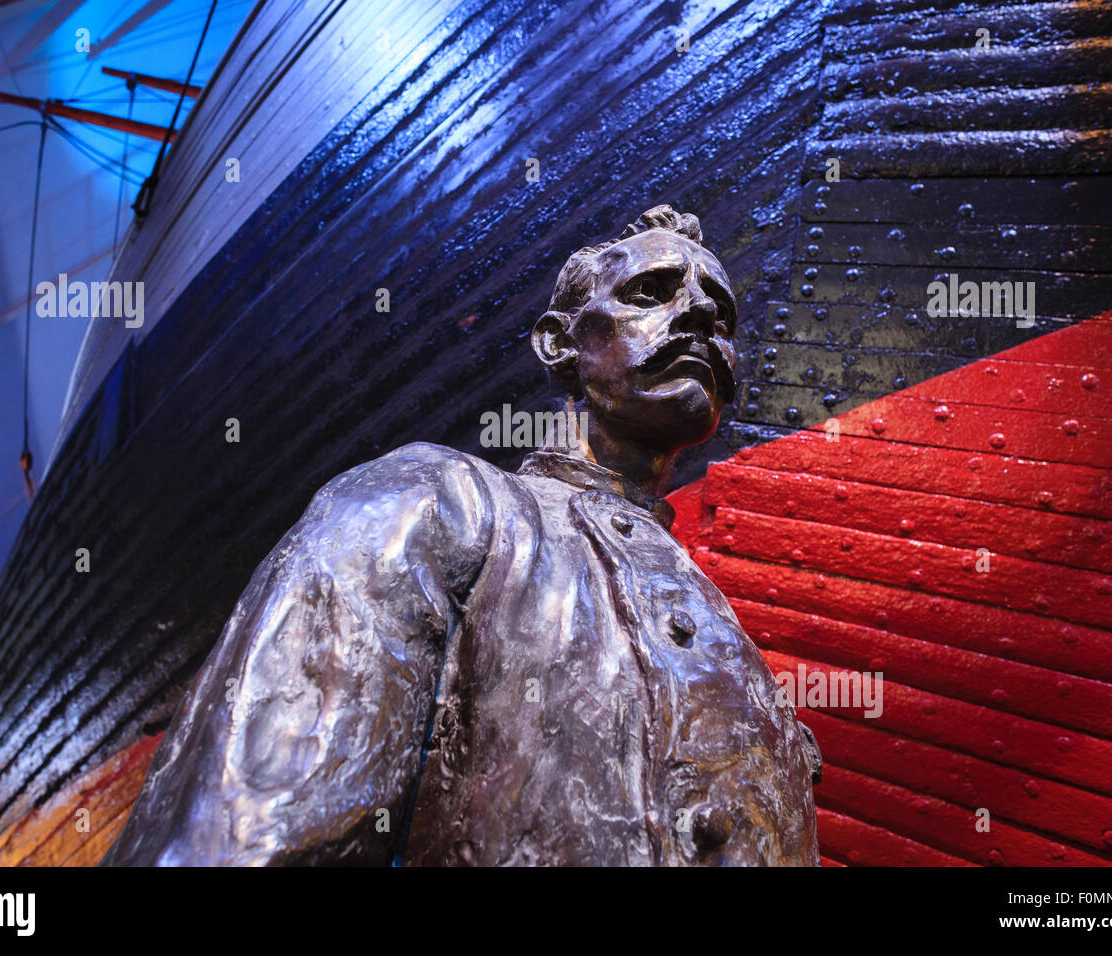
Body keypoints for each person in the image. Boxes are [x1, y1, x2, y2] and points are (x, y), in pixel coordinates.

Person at [103, 204, 821, 866]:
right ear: (557, 344)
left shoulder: (731, 636)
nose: (698, 314)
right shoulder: (440, 501)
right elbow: (246, 830)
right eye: (650, 292)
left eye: (720, 313)